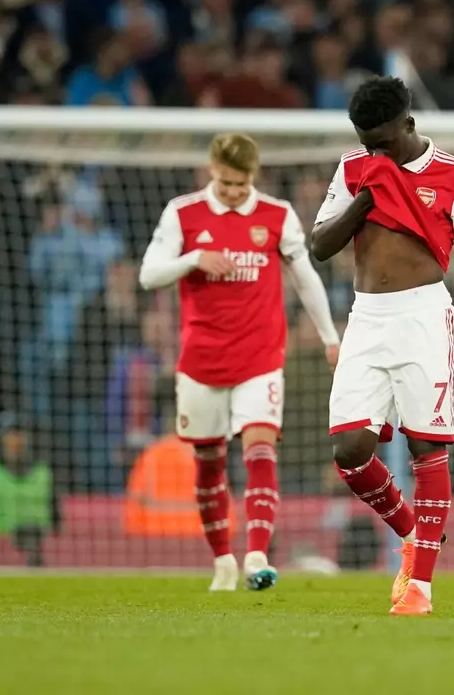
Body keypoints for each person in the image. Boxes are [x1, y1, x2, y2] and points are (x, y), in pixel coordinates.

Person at [311, 76, 454, 615]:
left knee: (427, 449)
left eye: (383, 142)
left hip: (423, 319)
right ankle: (414, 534)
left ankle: (420, 589)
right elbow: (320, 244)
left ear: (409, 125)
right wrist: (366, 198)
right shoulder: (353, 169)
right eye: (366, 141)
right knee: (349, 452)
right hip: (366, 320)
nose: (375, 151)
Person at [139, 133, 340, 592]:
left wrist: (330, 337)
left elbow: (305, 278)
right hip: (202, 360)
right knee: (209, 464)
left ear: (255, 175)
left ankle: (256, 556)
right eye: (226, 182)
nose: (233, 191)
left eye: (241, 183)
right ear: (212, 171)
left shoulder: (276, 214)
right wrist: (194, 260)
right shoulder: (183, 213)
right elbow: (149, 274)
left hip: (260, 356)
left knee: (261, 450)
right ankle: (223, 562)